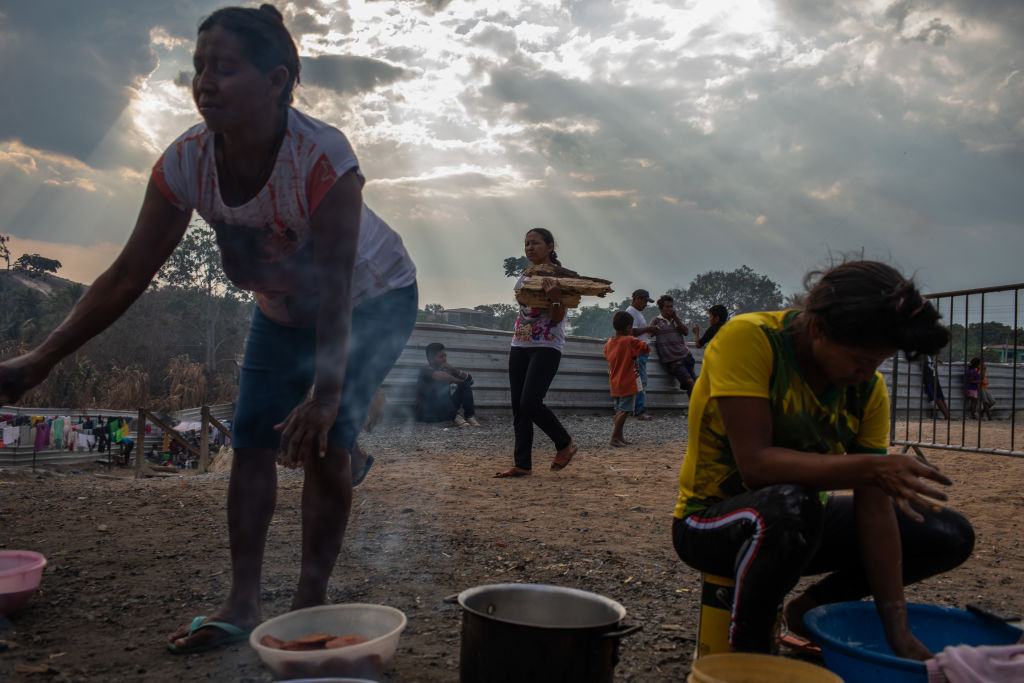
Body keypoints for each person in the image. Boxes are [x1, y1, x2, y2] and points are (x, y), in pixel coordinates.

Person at [0, 5, 418, 654]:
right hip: (281, 311)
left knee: (329, 441)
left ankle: (309, 606)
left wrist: (328, 398)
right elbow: (127, 274)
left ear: (277, 81)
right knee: (252, 440)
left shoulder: (323, 159)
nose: (205, 82)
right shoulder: (185, 164)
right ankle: (242, 602)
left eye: (224, 68)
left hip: (373, 300)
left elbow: (336, 286)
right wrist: (43, 357)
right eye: (198, 67)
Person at [671, 260, 974, 657]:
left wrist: (899, 635)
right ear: (817, 329)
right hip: (709, 522)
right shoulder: (750, 339)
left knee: (947, 534)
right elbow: (757, 466)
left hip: (799, 524)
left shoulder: (867, 390)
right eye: (860, 361)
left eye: (878, 364)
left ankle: (808, 611)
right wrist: (871, 469)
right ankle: (750, 657)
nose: (867, 375)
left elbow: (875, 512)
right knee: (792, 502)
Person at [496, 227, 577, 478]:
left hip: (546, 345)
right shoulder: (524, 276)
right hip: (519, 344)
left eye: (536, 243)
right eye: (527, 243)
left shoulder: (560, 278)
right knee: (519, 407)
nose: (530, 247)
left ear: (550, 247)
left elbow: (556, 317)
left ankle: (565, 444)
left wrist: (555, 297)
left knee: (530, 401)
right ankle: (522, 464)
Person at [604, 311, 649, 447]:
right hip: (628, 381)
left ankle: (620, 437)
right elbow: (646, 348)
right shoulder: (630, 341)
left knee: (620, 409)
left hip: (615, 381)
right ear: (629, 327)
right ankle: (614, 438)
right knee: (625, 411)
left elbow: (607, 356)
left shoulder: (609, 343)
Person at [415, 342, 480, 427]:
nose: (445, 359)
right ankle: (455, 417)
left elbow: (470, 381)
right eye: (441, 357)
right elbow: (440, 376)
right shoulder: (425, 370)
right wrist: (457, 380)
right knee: (440, 385)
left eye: (445, 356)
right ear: (431, 359)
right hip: (427, 413)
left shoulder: (447, 369)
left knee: (465, 385)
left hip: (444, 412)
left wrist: (453, 369)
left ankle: (470, 416)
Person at [649, 294, 696, 394]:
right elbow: (648, 335)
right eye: (667, 307)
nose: (670, 309)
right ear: (661, 309)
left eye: (671, 306)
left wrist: (675, 318)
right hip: (674, 361)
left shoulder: (676, 320)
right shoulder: (656, 321)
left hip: (686, 356)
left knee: (694, 385)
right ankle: (695, 409)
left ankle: (694, 408)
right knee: (690, 382)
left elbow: (686, 332)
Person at [626, 289, 659, 420]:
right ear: (638, 299)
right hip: (636, 352)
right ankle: (639, 411)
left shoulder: (637, 312)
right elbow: (632, 331)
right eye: (645, 301)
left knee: (638, 381)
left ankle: (632, 410)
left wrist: (649, 332)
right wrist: (648, 329)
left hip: (640, 351)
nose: (646, 304)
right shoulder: (631, 312)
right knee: (640, 381)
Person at [919, 354, 951, 421]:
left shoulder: (923, 355)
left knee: (937, 398)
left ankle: (946, 415)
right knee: (941, 397)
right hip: (935, 378)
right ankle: (947, 415)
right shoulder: (930, 356)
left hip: (929, 379)